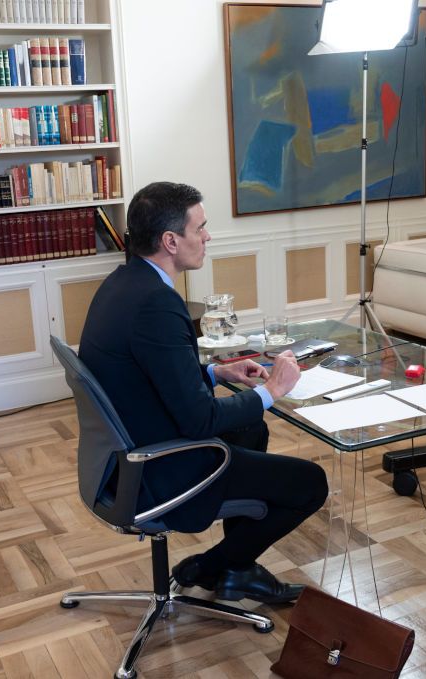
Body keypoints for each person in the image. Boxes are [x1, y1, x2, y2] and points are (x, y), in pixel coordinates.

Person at [78, 182, 328, 605]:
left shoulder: (124, 283)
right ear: (171, 241)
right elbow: (199, 421)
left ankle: (237, 569)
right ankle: (211, 567)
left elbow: (147, 373)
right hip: (160, 468)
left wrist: (215, 370)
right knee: (310, 484)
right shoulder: (158, 303)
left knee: (249, 429)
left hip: (122, 457)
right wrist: (272, 391)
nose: (208, 237)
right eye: (201, 228)